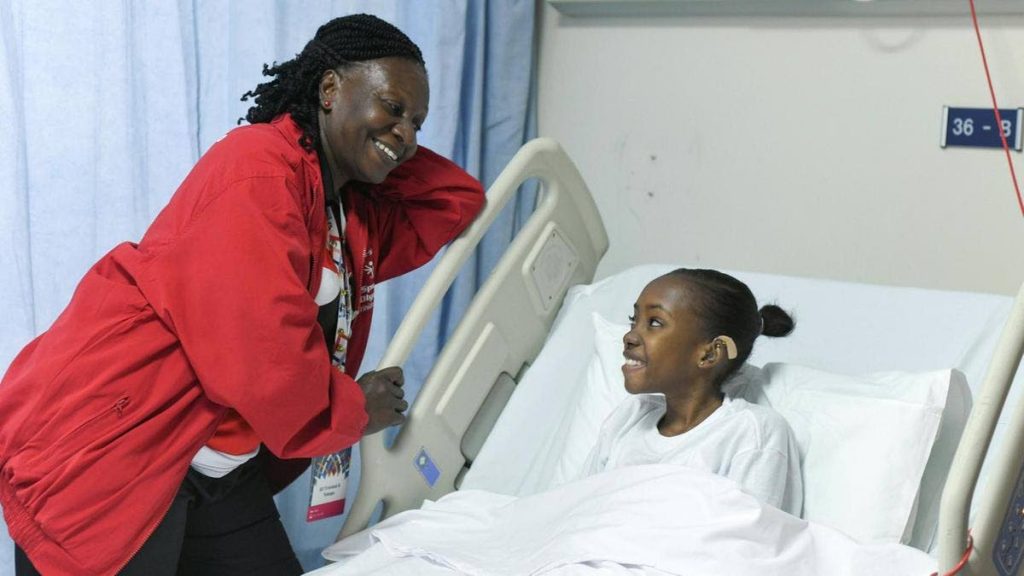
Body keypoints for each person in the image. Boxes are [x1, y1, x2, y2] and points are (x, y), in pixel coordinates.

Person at [0, 13, 484, 576]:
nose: (407, 134)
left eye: (418, 123)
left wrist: (376, 145)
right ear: (329, 88)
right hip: (124, 446)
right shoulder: (257, 170)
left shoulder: (343, 208)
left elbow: (453, 200)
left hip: (219, 465)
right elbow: (263, 361)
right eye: (393, 108)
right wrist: (356, 409)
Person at [579, 268, 803, 515]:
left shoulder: (752, 432)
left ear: (709, 353)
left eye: (654, 322)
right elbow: (575, 508)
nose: (630, 336)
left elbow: (747, 542)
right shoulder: (629, 418)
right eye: (634, 320)